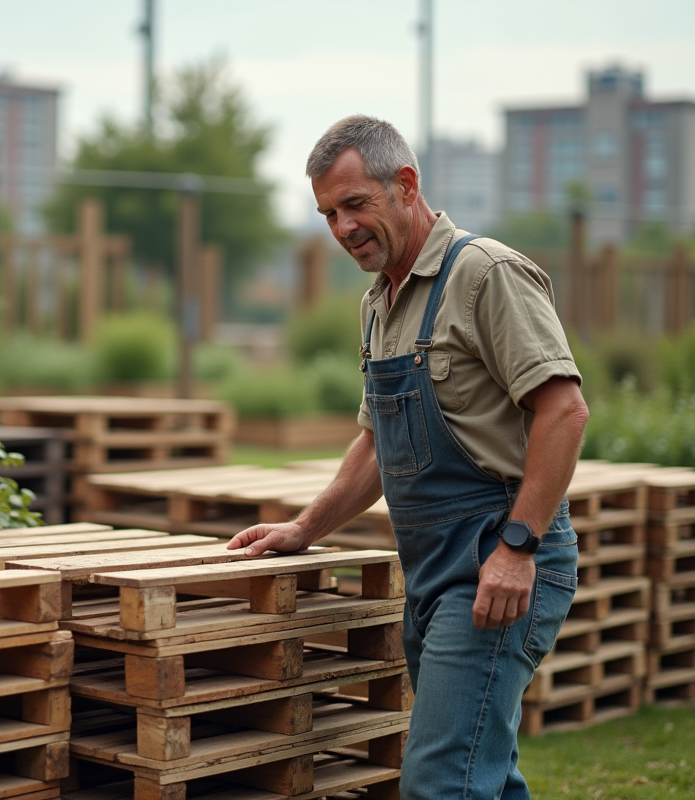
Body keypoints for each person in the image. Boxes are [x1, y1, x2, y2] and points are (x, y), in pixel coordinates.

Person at [227, 115, 590, 799]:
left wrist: (517, 547)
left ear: (406, 185)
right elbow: (376, 445)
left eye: (355, 204)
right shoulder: (379, 303)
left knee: (439, 780)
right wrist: (304, 529)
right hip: (430, 569)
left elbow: (563, 410)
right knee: (481, 768)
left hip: (495, 563)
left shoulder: (486, 275)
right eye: (328, 214)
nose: (341, 228)